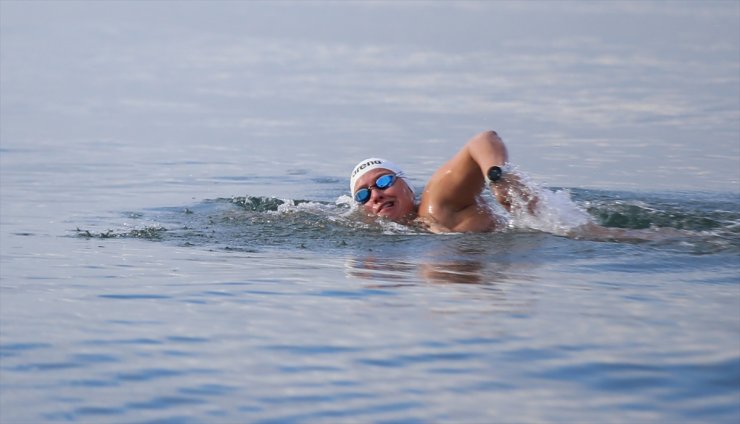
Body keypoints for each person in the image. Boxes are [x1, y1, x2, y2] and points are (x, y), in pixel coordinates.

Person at [349, 130, 538, 233]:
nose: (375, 195)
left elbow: (484, 139)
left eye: (383, 181)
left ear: (408, 187)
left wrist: (498, 178)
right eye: (363, 195)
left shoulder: (438, 202)